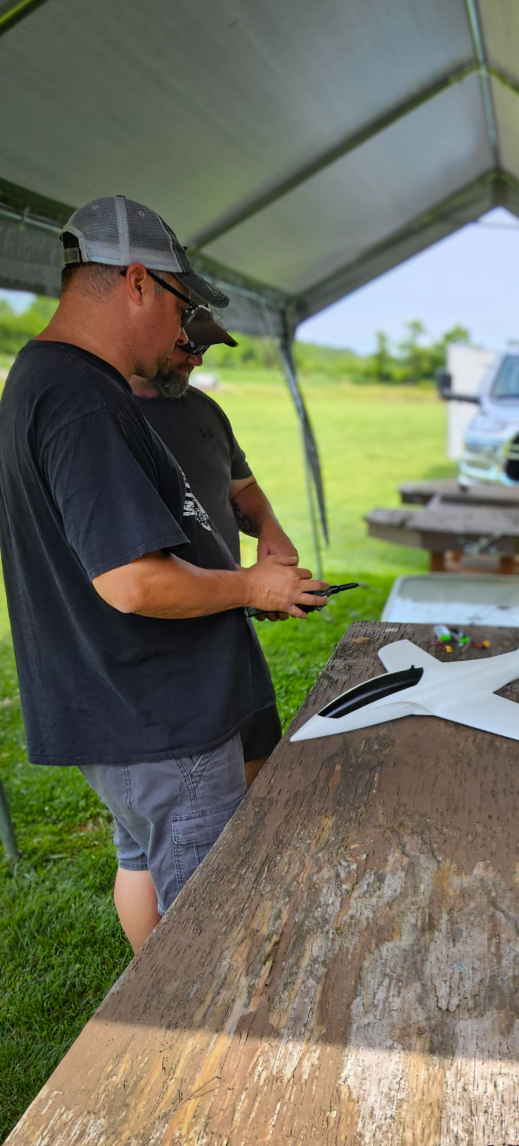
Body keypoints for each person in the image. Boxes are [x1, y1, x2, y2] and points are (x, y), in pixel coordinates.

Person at [0, 195, 327, 954]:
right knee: (208, 943)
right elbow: (133, 582)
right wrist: (252, 586)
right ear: (139, 282)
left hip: (136, 709)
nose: (186, 333)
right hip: (156, 716)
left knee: (158, 876)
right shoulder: (80, 397)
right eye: (183, 308)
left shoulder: (51, 379)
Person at [130, 309, 292, 787]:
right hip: (163, 647)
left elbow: (241, 488)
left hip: (229, 623)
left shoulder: (204, 409)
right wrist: (250, 588)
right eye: (188, 346)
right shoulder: (109, 418)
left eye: (206, 349)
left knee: (258, 760)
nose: (198, 360)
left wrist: (269, 530)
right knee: (193, 800)